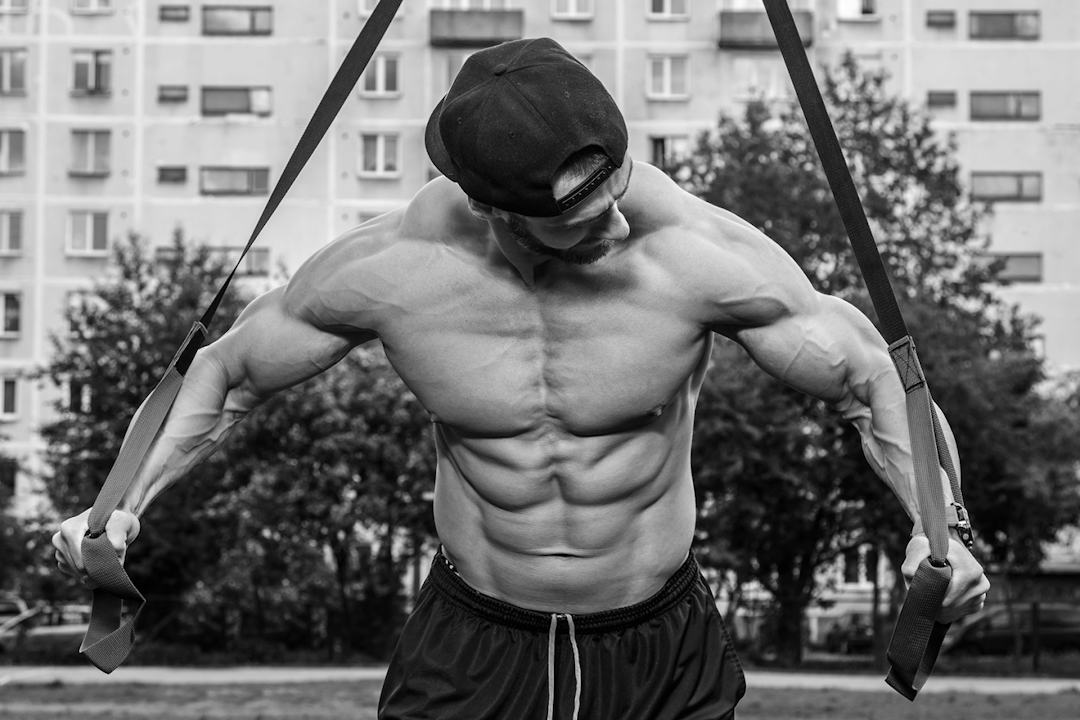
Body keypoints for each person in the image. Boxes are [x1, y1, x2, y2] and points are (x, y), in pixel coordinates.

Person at [52, 37, 990, 719]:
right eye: (580, 221)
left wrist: (939, 531)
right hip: (473, 641)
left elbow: (871, 375)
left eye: (617, 188)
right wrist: (118, 505)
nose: (617, 230)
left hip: (661, 645)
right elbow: (225, 375)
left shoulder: (696, 255)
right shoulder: (392, 273)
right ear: (490, 209)